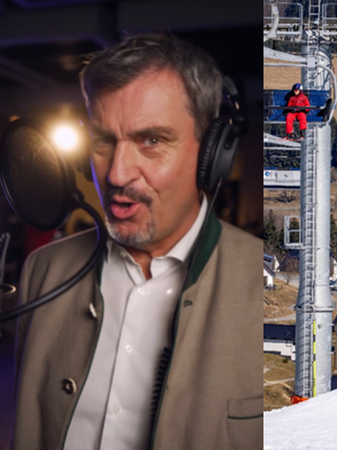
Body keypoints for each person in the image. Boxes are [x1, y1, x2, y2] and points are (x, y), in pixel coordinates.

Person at [12, 34, 262, 450]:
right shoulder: (44, 271)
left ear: (212, 152)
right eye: (103, 141)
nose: (116, 175)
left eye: (151, 141)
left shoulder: (265, 284)